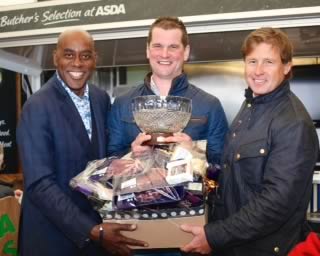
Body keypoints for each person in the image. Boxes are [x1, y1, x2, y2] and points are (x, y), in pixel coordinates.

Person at [180, 27, 319, 256]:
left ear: (286, 67)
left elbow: (275, 205)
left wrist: (214, 236)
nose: (258, 71)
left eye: (268, 62)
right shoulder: (251, 105)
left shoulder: (293, 123)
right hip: (234, 244)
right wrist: (194, 156)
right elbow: (229, 174)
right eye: (252, 61)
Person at [17, 29, 147, 256]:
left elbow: (98, 160)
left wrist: (130, 154)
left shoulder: (100, 98)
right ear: (55, 57)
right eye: (69, 55)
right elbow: (39, 184)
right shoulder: (37, 107)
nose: (77, 63)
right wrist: (90, 229)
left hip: (94, 237)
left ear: (95, 60)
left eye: (85, 56)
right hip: (51, 239)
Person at [107, 16, 228, 167]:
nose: (164, 54)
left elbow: (224, 168)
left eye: (173, 47)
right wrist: (131, 155)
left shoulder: (210, 106)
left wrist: (195, 153)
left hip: (189, 191)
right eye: (157, 46)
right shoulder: (123, 103)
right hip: (136, 190)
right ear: (147, 50)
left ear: (186, 52)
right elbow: (110, 160)